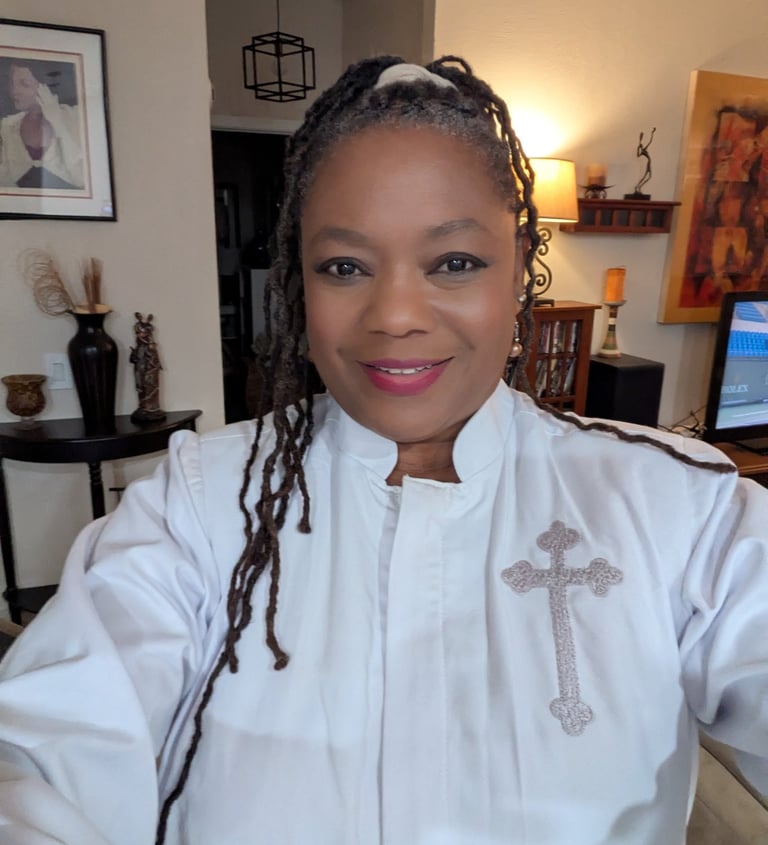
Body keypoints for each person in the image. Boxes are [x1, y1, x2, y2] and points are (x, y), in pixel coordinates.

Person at [0, 56, 767, 845]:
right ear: (300, 283)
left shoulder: (683, 506)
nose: (395, 314)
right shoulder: (197, 506)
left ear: (518, 269)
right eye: (345, 267)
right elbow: (41, 750)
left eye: (455, 263)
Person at [0, 58, 84, 190]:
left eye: (25, 84)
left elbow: (81, 178)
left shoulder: (76, 117)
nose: (14, 91)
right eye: (12, 83)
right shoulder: (7, 125)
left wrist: (57, 122)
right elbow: (4, 181)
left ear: (47, 86)